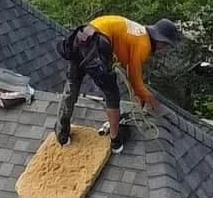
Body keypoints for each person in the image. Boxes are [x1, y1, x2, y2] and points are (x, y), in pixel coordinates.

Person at [55, 16, 183, 154]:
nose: (163, 48)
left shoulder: (139, 32)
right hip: (98, 44)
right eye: (165, 45)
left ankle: (62, 132)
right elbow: (134, 76)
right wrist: (146, 96)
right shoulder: (144, 45)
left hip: (83, 35)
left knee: (72, 83)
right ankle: (115, 141)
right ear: (160, 40)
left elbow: (128, 67)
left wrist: (138, 92)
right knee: (112, 94)